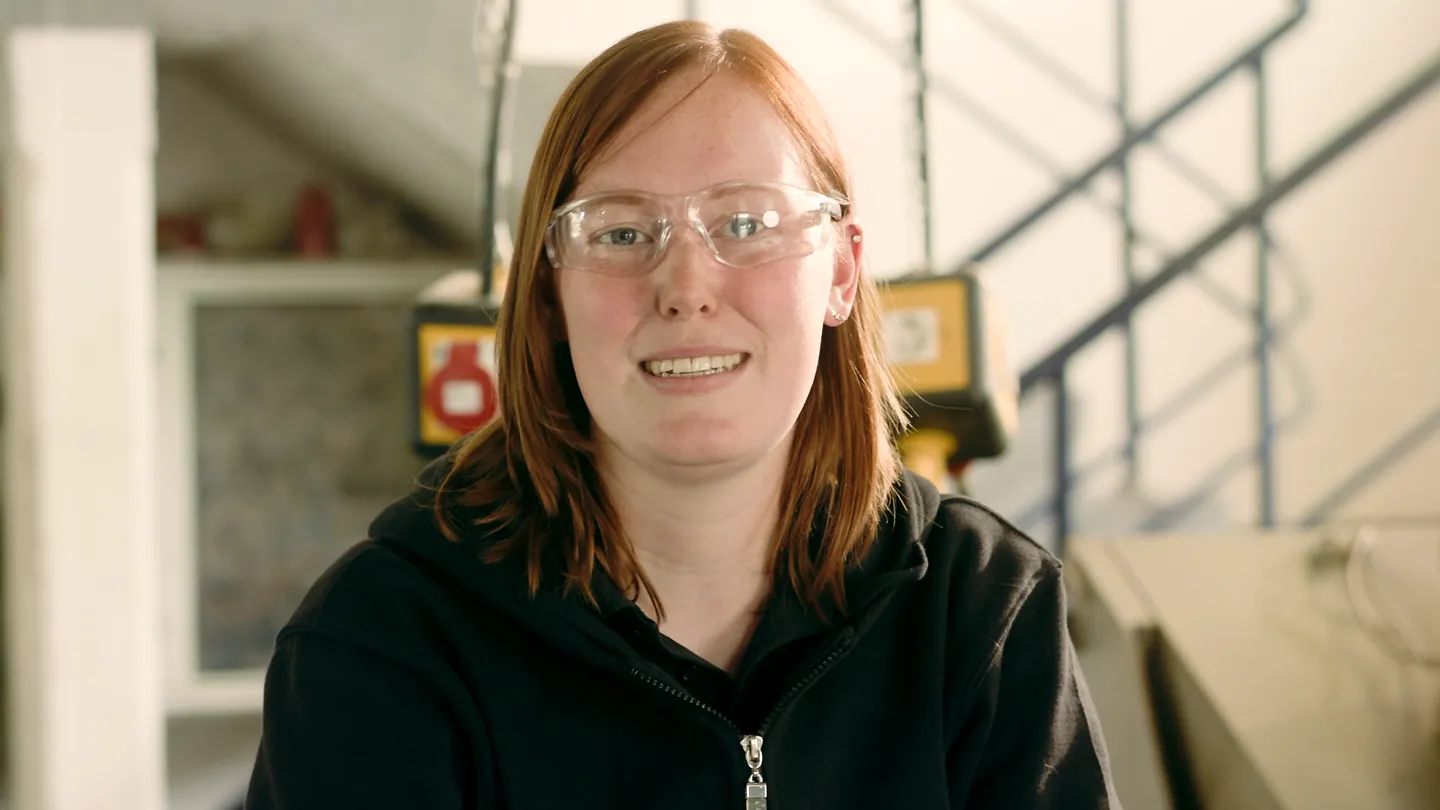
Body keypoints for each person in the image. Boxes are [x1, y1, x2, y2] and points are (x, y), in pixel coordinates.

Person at [244, 19, 1118, 810]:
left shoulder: (981, 611)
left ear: (844, 272)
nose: (687, 288)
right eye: (621, 233)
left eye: (746, 222)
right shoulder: (384, 644)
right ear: (546, 292)